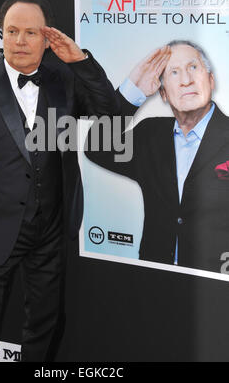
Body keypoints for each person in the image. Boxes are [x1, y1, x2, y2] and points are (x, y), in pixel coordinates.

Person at [0, 0, 119, 362]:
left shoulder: (63, 80)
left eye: (30, 33)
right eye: (11, 31)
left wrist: (80, 61)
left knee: (46, 325)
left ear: (47, 37)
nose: (19, 41)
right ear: (1, 34)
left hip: (50, 228)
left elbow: (110, 114)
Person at [86, 40, 229, 273]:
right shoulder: (150, 135)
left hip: (214, 289)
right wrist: (132, 92)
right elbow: (96, 147)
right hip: (153, 278)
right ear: (163, 93)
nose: (186, 80)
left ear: (211, 80)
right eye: (173, 72)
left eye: (193, 68)